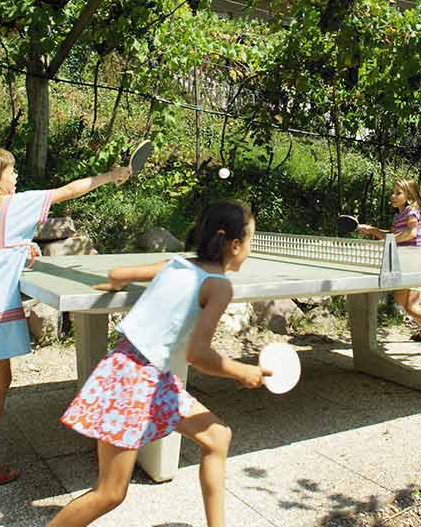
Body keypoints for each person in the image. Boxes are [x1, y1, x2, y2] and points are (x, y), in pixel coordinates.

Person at [49, 200, 269, 527]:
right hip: (133, 383)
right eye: (251, 240)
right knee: (110, 492)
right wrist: (243, 370)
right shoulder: (219, 287)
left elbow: (118, 273)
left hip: (136, 371)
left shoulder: (177, 264)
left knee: (217, 437)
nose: (250, 248)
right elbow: (198, 355)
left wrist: (114, 284)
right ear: (235, 245)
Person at [0, 147, 131, 489]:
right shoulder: (17, 204)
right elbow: (69, 190)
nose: (16, 176)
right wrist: (109, 177)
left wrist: (19, 246)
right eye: (11, 172)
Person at [357, 179, 421, 356]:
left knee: (411, 305)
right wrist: (372, 230)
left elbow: (411, 233)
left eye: (398, 193)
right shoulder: (399, 215)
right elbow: (392, 235)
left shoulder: (412, 212)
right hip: (405, 263)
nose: (393, 196)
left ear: (409, 196)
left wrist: (388, 241)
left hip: (417, 263)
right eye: (392, 192)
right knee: (403, 301)